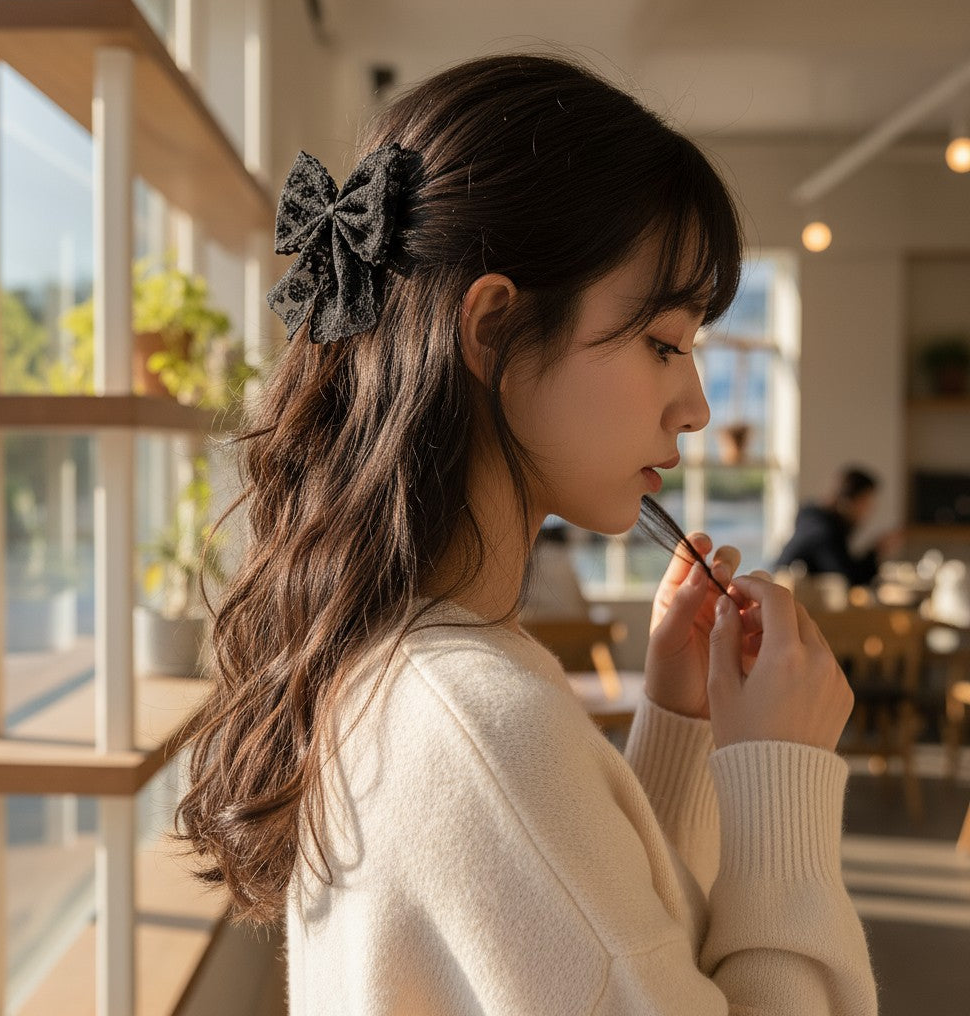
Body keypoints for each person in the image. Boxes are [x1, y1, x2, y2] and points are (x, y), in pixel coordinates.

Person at [176, 54, 877, 1014]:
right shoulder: (483, 722)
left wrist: (681, 724)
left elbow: (611, 954)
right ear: (497, 330)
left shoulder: (409, 665)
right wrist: (783, 780)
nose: (698, 407)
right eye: (663, 344)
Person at [775, 466, 903, 586]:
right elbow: (847, 578)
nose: (869, 510)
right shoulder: (823, 531)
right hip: (791, 600)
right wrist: (876, 551)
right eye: (866, 503)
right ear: (850, 502)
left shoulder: (818, 522)